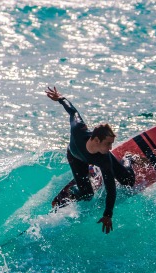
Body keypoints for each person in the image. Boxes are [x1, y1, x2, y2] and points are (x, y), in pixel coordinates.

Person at [46, 87, 135, 234]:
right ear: (96, 140)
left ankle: (128, 159)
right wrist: (60, 98)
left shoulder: (105, 158)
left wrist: (108, 214)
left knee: (128, 181)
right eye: (108, 143)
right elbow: (73, 112)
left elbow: (111, 188)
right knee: (87, 195)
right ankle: (72, 191)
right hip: (76, 157)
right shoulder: (78, 130)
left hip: (96, 159)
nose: (111, 147)